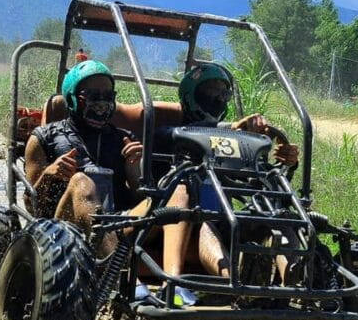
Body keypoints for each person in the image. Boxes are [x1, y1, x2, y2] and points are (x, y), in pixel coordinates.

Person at [121, 63, 299, 302]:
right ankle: (220, 284)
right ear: (191, 96)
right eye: (210, 91)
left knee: (273, 204)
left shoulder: (232, 139)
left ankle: (296, 278)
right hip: (173, 220)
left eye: (223, 93)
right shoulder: (166, 133)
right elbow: (188, 134)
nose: (218, 98)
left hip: (224, 220)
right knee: (201, 219)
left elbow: (253, 179)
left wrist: (287, 161)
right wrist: (232, 129)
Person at [24, 60, 142, 235]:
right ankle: (110, 255)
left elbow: (139, 201)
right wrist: (49, 175)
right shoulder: (44, 138)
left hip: (118, 222)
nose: (102, 102)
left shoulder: (124, 140)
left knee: (175, 196)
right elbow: (31, 207)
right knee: (81, 182)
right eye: (94, 96)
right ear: (73, 98)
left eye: (108, 96)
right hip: (65, 232)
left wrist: (133, 172)